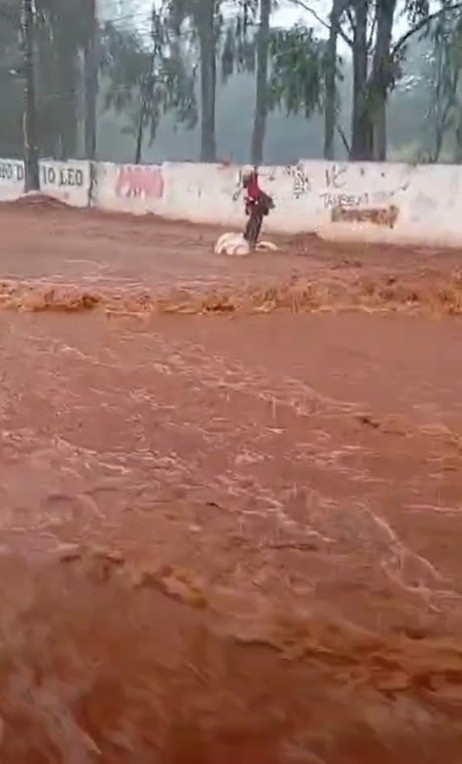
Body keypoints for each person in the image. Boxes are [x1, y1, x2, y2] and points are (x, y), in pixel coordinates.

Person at [241, 165, 275, 249]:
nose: (244, 181)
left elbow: (255, 194)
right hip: (256, 205)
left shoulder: (252, 186)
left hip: (258, 205)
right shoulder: (249, 189)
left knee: (254, 223)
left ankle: (251, 240)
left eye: (246, 178)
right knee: (254, 223)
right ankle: (250, 239)